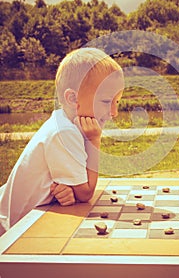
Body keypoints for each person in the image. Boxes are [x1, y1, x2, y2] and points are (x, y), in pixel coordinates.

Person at [0, 47, 124, 236]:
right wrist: (94, 140)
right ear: (72, 98)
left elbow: (78, 188)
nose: (114, 112)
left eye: (117, 102)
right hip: (16, 231)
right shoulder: (64, 132)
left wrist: (70, 190)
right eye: (107, 101)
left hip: (31, 220)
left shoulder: (64, 122)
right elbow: (85, 194)